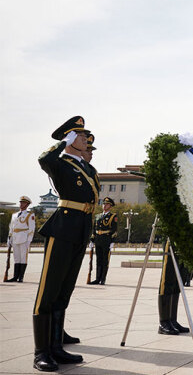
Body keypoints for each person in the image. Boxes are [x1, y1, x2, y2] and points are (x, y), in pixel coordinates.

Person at [33, 116, 97, 371]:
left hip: (80, 230)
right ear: (69, 138)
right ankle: (41, 352)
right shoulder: (60, 163)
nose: (85, 139)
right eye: (80, 136)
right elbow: (43, 160)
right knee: (48, 291)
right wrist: (62, 144)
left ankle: (56, 347)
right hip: (63, 229)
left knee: (64, 290)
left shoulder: (86, 167)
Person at [157, 240, 191, 336]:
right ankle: (164, 322)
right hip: (170, 237)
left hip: (184, 238)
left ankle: (172, 320)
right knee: (168, 276)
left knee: (178, 279)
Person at [5, 196, 35, 283]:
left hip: (24, 238)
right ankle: (15, 276)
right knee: (16, 258)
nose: (21, 204)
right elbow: (11, 227)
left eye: (23, 203)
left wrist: (29, 240)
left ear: (27, 204)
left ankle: (21, 277)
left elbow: (31, 228)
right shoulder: (14, 215)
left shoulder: (30, 215)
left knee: (23, 258)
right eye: (21, 202)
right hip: (14, 238)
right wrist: (9, 238)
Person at [89, 197, 117, 285]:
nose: (105, 206)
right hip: (98, 239)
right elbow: (94, 229)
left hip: (106, 239)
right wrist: (92, 240)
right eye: (104, 204)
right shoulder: (98, 216)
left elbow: (114, 230)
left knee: (105, 260)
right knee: (98, 260)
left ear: (110, 206)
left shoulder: (113, 216)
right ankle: (97, 278)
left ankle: (103, 279)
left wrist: (112, 241)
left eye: (107, 204)